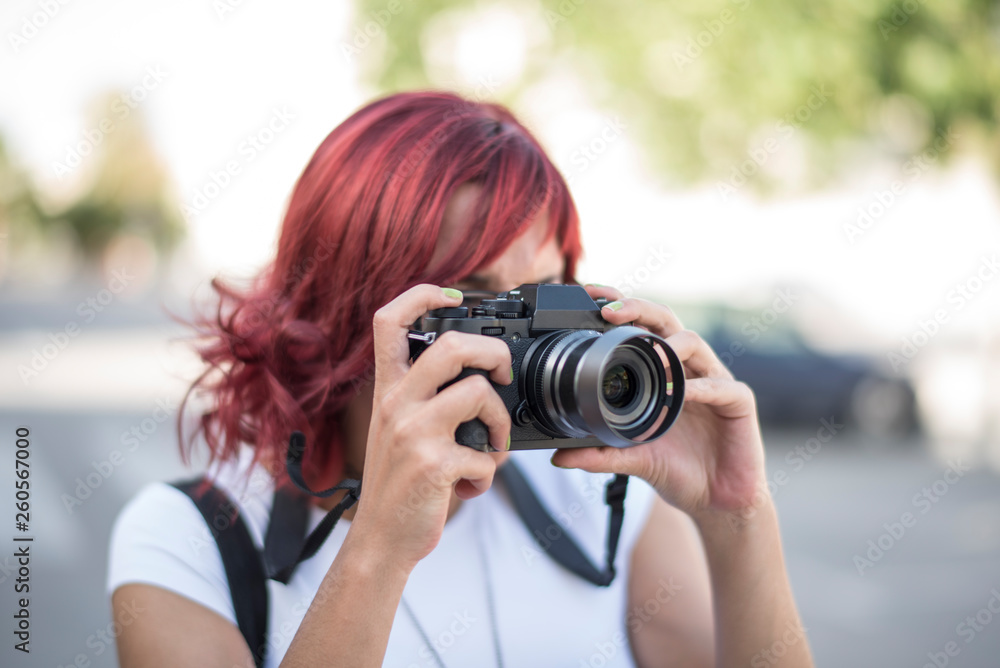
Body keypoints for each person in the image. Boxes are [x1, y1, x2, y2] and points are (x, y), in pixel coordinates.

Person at [106, 91, 814, 668]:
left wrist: (738, 517)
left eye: (544, 297)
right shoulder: (190, 541)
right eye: (480, 301)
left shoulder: (595, 502)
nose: (528, 349)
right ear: (343, 306)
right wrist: (380, 546)